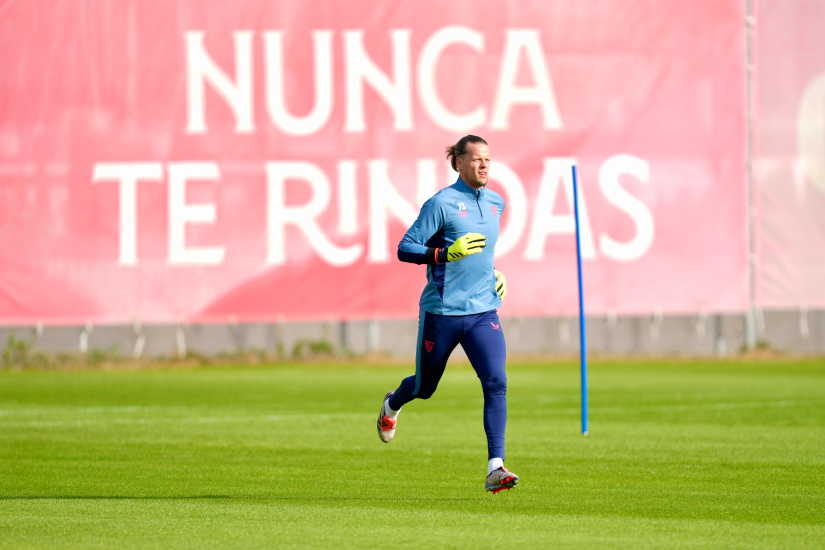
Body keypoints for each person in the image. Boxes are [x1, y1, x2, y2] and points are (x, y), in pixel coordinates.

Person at [375, 135, 518, 494]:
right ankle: (392, 403)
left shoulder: (497, 202)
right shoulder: (441, 203)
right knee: (424, 389)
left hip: (483, 310)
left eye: (488, 158)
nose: (484, 165)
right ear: (458, 163)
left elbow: (482, 255)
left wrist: (494, 274)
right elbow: (405, 248)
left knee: (496, 382)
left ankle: (495, 468)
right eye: (476, 159)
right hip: (443, 313)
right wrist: (444, 254)